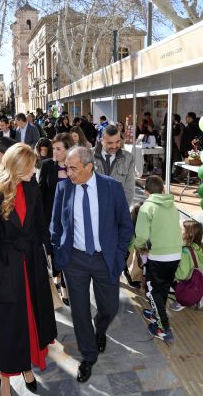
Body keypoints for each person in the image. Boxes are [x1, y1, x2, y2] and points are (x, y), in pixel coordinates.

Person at [0, 143, 57, 396]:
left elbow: (40, 224)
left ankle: (27, 368)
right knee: (7, 325)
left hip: (32, 264)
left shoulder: (32, 186)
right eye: (31, 166)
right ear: (18, 166)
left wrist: (51, 256)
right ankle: (4, 376)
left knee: (32, 319)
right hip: (6, 268)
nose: (35, 170)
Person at [49, 147, 133, 383]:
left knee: (110, 307)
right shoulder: (63, 188)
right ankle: (88, 356)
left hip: (104, 258)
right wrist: (57, 252)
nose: (68, 173)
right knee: (79, 310)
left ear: (89, 167)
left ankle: (101, 328)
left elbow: (126, 226)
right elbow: (55, 224)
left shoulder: (111, 188)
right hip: (74, 259)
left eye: (73, 168)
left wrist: (119, 253)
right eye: (66, 167)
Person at [131, 176, 182, 344]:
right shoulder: (173, 206)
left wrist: (139, 246)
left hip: (158, 256)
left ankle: (163, 328)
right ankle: (155, 313)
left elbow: (142, 236)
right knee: (164, 288)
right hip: (175, 255)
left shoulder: (147, 207)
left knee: (153, 291)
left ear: (146, 192)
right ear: (163, 190)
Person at [39, 133, 74, 305]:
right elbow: (40, 191)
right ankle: (58, 279)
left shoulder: (75, 166)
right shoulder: (46, 165)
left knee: (67, 252)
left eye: (59, 149)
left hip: (71, 219)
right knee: (53, 253)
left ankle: (65, 287)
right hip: (50, 219)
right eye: (54, 148)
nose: (55, 151)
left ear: (68, 150)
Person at [92, 125, 136, 205]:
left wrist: (121, 211)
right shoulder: (88, 156)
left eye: (117, 142)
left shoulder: (129, 158)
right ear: (101, 140)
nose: (114, 146)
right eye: (110, 143)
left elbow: (129, 190)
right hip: (94, 210)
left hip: (118, 210)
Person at [170, 219, 203, 312]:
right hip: (197, 279)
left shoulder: (185, 251)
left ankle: (182, 301)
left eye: (182, 229)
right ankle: (197, 297)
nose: (179, 230)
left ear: (189, 234)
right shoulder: (200, 247)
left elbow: (182, 275)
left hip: (187, 283)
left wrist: (172, 272)